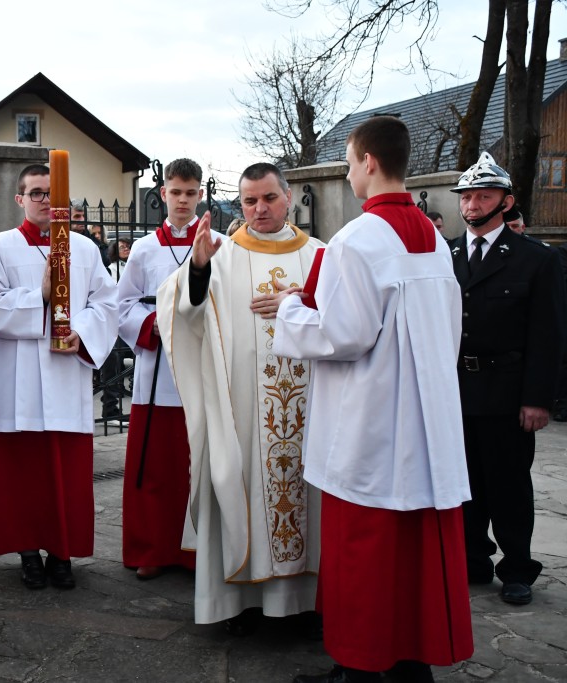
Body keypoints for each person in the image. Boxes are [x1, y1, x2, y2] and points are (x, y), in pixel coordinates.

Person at [273, 116, 474, 683]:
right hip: (424, 419)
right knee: (412, 551)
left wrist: (290, 307)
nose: (347, 174)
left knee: (361, 548)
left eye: (348, 162)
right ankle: (411, 663)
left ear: (367, 161)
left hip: (369, 423)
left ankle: (359, 667)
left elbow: (343, 334)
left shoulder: (356, 239)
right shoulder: (434, 238)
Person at [157, 162, 323, 636]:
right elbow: (180, 314)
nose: (259, 209)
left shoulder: (320, 255)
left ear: (288, 198)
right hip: (242, 412)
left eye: (269, 198)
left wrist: (302, 302)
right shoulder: (221, 255)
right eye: (249, 201)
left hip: (311, 411)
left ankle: (305, 603)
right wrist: (198, 268)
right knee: (235, 480)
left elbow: (347, 316)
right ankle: (241, 602)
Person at [0, 164, 117, 590]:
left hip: (66, 375)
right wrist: (37, 297)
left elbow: (106, 304)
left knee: (65, 473)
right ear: (20, 199)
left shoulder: (84, 248)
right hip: (17, 380)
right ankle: (27, 553)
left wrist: (82, 333)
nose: (46, 201)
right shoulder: (0, 247)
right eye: (36, 193)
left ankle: (61, 553)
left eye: (53, 194)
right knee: (24, 473)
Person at [447, 152, 566, 607]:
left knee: (510, 485)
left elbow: (548, 335)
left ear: (506, 201)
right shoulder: (444, 255)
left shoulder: (536, 259)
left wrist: (538, 398)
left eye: (483, 196)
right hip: (456, 389)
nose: (472, 205)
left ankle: (517, 568)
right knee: (464, 483)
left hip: (508, 390)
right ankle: (473, 559)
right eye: (467, 197)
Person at [118, 158, 204, 582]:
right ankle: (152, 547)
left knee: (198, 465)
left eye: (190, 193)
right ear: (163, 194)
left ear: (200, 195)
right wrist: (153, 325)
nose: (182, 200)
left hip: (202, 371)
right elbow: (122, 304)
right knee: (154, 465)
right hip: (157, 372)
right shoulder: (144, 249)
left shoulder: (219, 244)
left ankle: (197, 552)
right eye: (176, 192)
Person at [71, 199, 110, 267]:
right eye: (77, 216)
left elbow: (105, 263)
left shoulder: (95, 243)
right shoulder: (58, 240)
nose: (82, 220)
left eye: (84, 216)